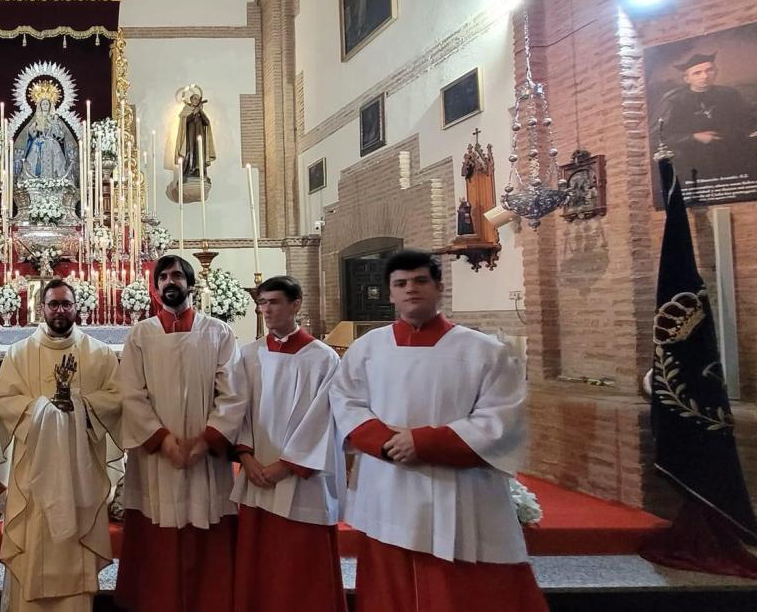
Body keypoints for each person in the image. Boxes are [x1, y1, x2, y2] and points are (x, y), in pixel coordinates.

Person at [329, 250, 546, 612]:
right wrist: (384, 442)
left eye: (420, 281)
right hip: (389, 482)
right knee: (389, 582)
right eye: (401, 283)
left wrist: (423, 442)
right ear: (390, 293)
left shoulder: (485, 351)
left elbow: (501, 418)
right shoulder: (367, 349)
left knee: (462, 589)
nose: (410, 289)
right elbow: (344, 401)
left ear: (439, 287)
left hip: (459, 486)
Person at [114, 254, 245, 611]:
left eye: (177, 276)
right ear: (155, 289)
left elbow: (233, 392)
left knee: (206, 528)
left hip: (205, 456)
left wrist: (208, 440)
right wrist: (162, 439)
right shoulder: (141, 334)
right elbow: (130, 392)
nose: (171, 282)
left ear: (190, 283)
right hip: (158, 455)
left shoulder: (218, 331)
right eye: (164, 277)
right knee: (158, 532)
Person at [0, 279, 122, 612]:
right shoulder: (19, 353)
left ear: (77, 307)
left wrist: (78, 405)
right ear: (41, 307)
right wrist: (43, 408)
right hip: (33, 471)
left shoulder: (100, 354)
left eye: (66, 304)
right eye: (53, 304)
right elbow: (3, 401)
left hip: (81, 473)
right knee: (34, 540)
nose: (60, 310)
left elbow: (116, 399)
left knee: (74, 540)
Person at [230, 276, 347, 612]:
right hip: (256, 474)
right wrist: (247, 457)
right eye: (262, 303)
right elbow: (237, 410)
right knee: (259, 559)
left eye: (274, 302)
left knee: (300, 567)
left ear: (295, 304)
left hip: (300, 478)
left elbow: (324, 419)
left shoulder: (323, 359)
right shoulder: (249, 355)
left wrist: (286, 466)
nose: (266, 309)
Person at [653, 53, 757, 183]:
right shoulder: (673, 101)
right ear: (687, 79)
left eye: (709, 70)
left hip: (733, 155)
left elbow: (747, 120)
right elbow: (657, 136)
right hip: (694, 160)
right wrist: (693, 137)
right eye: (697, 73)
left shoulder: (729, 94)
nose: (705, 76)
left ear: (716, 71)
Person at [173, 86, 214, 181]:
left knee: (200, 152)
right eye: (195, 98)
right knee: (189, 152)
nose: (197, 100)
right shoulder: (186, 109)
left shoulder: (200, 112)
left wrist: (200, 111)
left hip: (200, 137)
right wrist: (193, 113)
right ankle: (188, 171)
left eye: (198, 99)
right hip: (189, 136)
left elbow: (207, 122)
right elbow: (185, 121)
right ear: (190, 100)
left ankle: (200, 171)